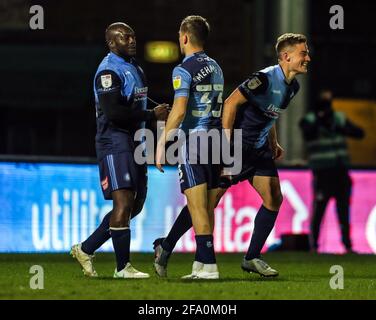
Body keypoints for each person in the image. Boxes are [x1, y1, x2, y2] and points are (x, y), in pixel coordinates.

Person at [154, 33, 310, 278]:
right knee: (206, 204)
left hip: (258, 151)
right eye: (303, 53)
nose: (308, 58)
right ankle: (167, 245)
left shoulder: (293, 87)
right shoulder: (263, 78)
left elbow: (270, 114)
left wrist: (273, 141)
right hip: (237, 147)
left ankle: (252, 257)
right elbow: (230, 104)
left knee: (274, 197)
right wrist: (227, 145)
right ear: (286, 56)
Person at [71, 22, 169, 278]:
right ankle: (122, 267)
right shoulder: (108, 72)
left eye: (132, 35)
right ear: (112, 43)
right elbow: (114, 113)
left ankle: (86, 248)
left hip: (135, 141)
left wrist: (159, 110)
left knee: (133, 206)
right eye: (124, 37)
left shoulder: (134, 66)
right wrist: (151, 115)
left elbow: (138, 100)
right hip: (115, 141)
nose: (131, 40)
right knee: (123, 203)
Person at [155, 16, 224, 279]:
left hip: (194, 141)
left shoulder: (183, 69)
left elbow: (180, 110)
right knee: (206, 205)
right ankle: (200, 262)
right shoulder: (216, 66)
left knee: (196, 206)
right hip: (217, 140)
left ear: (184, 37)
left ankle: (208, 266)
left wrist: (162, 143)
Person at [299, 89, 364, 253]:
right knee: (319, 210)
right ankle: (313, 246)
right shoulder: (309, 120)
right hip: (323, 173)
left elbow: (359, 133)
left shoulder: (339, 118)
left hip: (341, 171)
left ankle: (347, 246)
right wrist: (321, 121)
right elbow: (309, 134)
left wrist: (341, 128)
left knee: (343, 211)